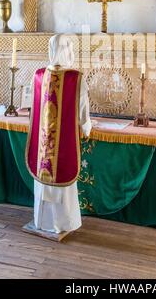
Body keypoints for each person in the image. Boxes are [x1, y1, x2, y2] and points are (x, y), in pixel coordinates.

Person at [26, 35, 92, 234]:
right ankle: (64, 224)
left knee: (44, 182)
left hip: (43, 144)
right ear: (68, 50)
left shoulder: (38, 75)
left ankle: (42, 222)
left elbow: (32, 107)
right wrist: (87, 128)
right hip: (63, 144)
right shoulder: (75, 78)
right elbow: (83, 112)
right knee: (62, 181)